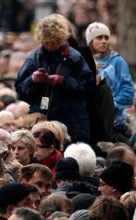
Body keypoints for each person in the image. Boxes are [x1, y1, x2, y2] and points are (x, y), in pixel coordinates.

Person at [16, 14, 93, 144]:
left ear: (61, 39)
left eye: (54, 43)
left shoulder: (75, 57)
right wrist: (33, 80)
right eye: (46, 43)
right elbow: (20, 90)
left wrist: (61, 80)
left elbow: (87, 87)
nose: (50, 46)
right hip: (42, 118)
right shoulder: (34, 57)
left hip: (72, 120)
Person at [86, 22, 134, 135]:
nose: (104, 41)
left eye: (106, 37)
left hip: (115, 123)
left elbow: (127, 92)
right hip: (90, 122)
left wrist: (110, 107)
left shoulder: (118, 62)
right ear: (90, 41)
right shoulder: (84, 62)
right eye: (99, 37)